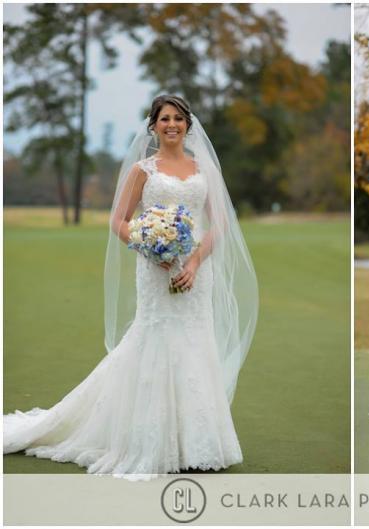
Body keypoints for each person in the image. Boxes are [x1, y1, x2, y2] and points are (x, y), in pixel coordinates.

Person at [4, 95, 258, 481]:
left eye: (177, 118)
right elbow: (119, 220)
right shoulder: (143, 170)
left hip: (195, 271)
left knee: (194, 342)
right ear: (153, 126)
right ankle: (148, 440)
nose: (171, 124)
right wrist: (148, 246)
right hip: (155, 269)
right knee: (154, 339)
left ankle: (197, 442)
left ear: (188, 125)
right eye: (164, 118)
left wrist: (193, 261)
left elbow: (219, 224)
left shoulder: (205, 169)